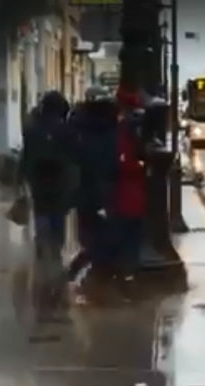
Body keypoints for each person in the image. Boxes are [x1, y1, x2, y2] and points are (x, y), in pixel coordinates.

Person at [67, 88, 120, 281]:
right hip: (106, 188)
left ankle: (89, 268)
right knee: (106, 233)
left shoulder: (77, 125)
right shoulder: (113, 125)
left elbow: (73, 157)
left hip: (85, 190)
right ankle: (94, 269)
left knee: (88, 233)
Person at [21, 91, 76, 263]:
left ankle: (43, 244)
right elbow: (73, 157)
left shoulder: (32, 129)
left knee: (41, 212)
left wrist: (23, 178)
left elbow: (26, 156)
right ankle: (55, 247)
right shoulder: (66, 130)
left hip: (38, 181)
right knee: (57, 215)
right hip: (59, 182)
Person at [110, 86, 147, 282]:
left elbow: (121, 161)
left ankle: (126, 271)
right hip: (133, 193)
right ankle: (130, 270)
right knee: (133, 234)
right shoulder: (135, 127)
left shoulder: (123, 129)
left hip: (124, 194)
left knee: (125, 234)